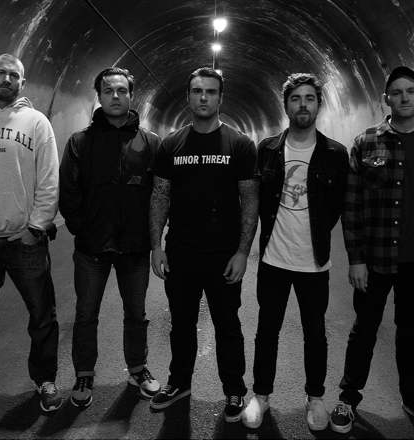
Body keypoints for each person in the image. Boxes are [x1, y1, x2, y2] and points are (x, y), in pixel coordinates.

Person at [330, 66, 414, 434]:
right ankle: (348, 398)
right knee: (364, 330)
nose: (405, 98)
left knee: (411, 333)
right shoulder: (366, 142)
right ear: (385, 99)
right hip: (374, 259)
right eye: (397, 92)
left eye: (411, 91)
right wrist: (356, 259)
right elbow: (351, 205)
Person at [148, 67, 258, 422]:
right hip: (181, 251)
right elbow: (160, 195)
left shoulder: (239, 144)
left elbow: (249, 200)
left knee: (227, 325)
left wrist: (242, 252)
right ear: (188, 97)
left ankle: (234, 389)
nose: (204, 97)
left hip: (223, 254)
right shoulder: (171, 144)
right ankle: (179, 383)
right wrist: (156, 246)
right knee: (181, 324)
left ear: (221, 98)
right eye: (197, 91)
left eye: (211, 91)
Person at [241, 73, 348, 431]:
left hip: (314, 262)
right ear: (286, 105)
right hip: (274, 259)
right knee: (267, 330)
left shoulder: (335, 154)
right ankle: (261, 396)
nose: (303, 105)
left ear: (319, 104)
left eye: (309, 98)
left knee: (315, 333)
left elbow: (338, 205)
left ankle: (315, 398)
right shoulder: (268, 149)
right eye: (296, 98)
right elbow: (256, 200)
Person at [59, 67, 161, 408]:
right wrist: (82, 228)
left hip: (134, 247)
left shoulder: (150, 143)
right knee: (86, 314)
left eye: (121, 90)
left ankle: (138, 369)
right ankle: (84, 373)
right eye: (108, 91)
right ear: (99, 96)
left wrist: (152, 237)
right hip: (92, 247)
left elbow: (161, 193)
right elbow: (69, 190)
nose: (115, 96)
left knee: (136, 313)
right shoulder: (80, 142)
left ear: (131, 95)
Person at [0, 53, 62, 411]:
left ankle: (45, 379)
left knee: (41, 315)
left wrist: (36, 227)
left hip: (24, 240)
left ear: (22, 83)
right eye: (1, 73)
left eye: (13, 75)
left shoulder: (37, 122)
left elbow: (48, 179)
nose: (6, 79)